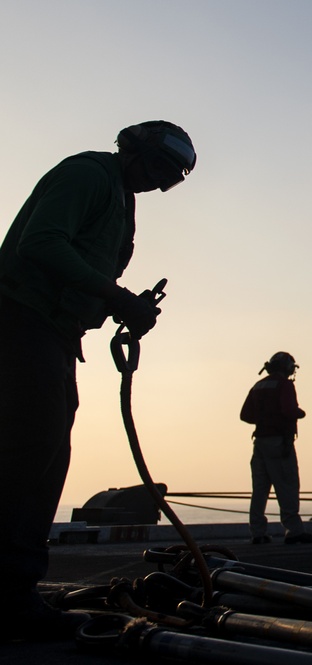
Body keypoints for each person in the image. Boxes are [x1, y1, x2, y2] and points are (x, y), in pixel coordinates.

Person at [0, 121, 195, 640]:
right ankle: (8, 599)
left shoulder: (120, 197)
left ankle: (15, 592)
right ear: (134, 150)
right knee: (29, 453)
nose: (157, 183)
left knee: (44, 458)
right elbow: (41, 244)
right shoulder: (87, 173)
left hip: (56, 335)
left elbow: (84, 269)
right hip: (22, 322)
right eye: (156, 168)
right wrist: (114, 297)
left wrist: (121, 306)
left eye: (168, 179)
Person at [240, 352, 312, 545]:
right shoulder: (285, 385)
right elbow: (288, 410)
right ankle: (294, 530)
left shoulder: (259, 385)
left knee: (259, 489)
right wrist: (299, 413)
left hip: (259, 443)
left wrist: (263, 418)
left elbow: (245, 415)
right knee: (287, 485)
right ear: (287, 367)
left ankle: (257, 532)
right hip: (279, 442)